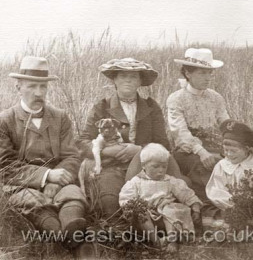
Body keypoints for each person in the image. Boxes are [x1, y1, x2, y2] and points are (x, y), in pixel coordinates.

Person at [76, 58, 183, 218]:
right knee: (110, 203)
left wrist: (140, 150)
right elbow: (82, 143)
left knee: (167, 196)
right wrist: (107, 151)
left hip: (146, 166)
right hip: (110, 167)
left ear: (140, 81)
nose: (128, 80)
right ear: (114, 80)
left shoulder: (151, 107)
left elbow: (163, 144)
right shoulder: (102, 107)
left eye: (133, 77)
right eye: (122, 76)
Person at [0, 56, 87, 247]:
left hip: (60, 181)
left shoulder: (60, 117)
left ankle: (73, 228)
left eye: (43, 87)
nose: (39, 93)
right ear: (18, 87)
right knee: (32, 202)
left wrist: (57, 181)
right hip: (22, 185)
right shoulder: (5, 120)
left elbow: (71, 155)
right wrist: (46, 176)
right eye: (32, 86)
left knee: (73, 194)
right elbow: (5, 166)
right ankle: (63, 238)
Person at [166, 48, 230, 202]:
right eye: (202, 73)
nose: (208, 78)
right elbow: (180, 133)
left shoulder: (215, 98)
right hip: (187, 152)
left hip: (213, 146)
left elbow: (227, 125)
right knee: (202, 165)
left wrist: (233, 146)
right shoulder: (176, 99)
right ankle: (208, 209)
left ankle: (241, 207)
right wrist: (201, 152)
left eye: (210, 73)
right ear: (188, 73)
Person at [119, 143, 202, 252]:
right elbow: (126, 198)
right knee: (141, 213)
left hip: (166, 215)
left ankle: (172, 241)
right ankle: (156, 241)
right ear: (144, 165)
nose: (161, 170)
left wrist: (195, 208)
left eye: (164, 166)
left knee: (171, 209)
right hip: (147, 217)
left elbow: (186, 194)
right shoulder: (136, 182)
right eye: (156, 166)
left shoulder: (170, 181)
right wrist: (132, 207)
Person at [204, 119, 253, 228]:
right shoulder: (222, 165)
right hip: (227, 207)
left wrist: (252, 205)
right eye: (226, 150)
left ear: (246, 149)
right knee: (212, 215)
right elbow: (216, 191)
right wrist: (234, 205)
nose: (228, 154)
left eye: (233, 151)